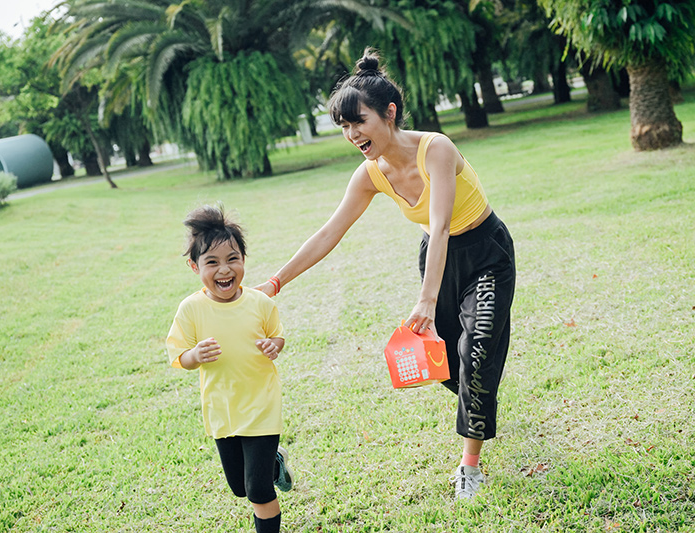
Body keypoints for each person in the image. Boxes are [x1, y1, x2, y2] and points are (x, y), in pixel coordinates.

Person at [257, 49, 516, 500]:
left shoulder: (435, 148)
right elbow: (328, 233)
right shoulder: (369, 174)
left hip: (485, 251)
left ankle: (469, 466)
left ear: (389, 113)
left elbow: (439, 224)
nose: (352, 133)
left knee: (476, 354)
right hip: (436, 259)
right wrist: (276, 281)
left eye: (358, 121)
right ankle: (480, 394)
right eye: (344, 126)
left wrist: (427, 300)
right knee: (448, 367)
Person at [167, 205, 294, 533]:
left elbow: (277, 336)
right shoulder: (191, 309)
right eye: (212, 262)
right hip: (223, 410)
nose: (224, 269)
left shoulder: (260, 303)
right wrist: (194, 354)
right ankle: (274, 462)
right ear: (194, 266)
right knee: (240, 487)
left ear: (243, 260)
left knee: (258, 490)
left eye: (232, 259)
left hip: (262, 407)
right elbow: (179, 356)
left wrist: (273, 346)